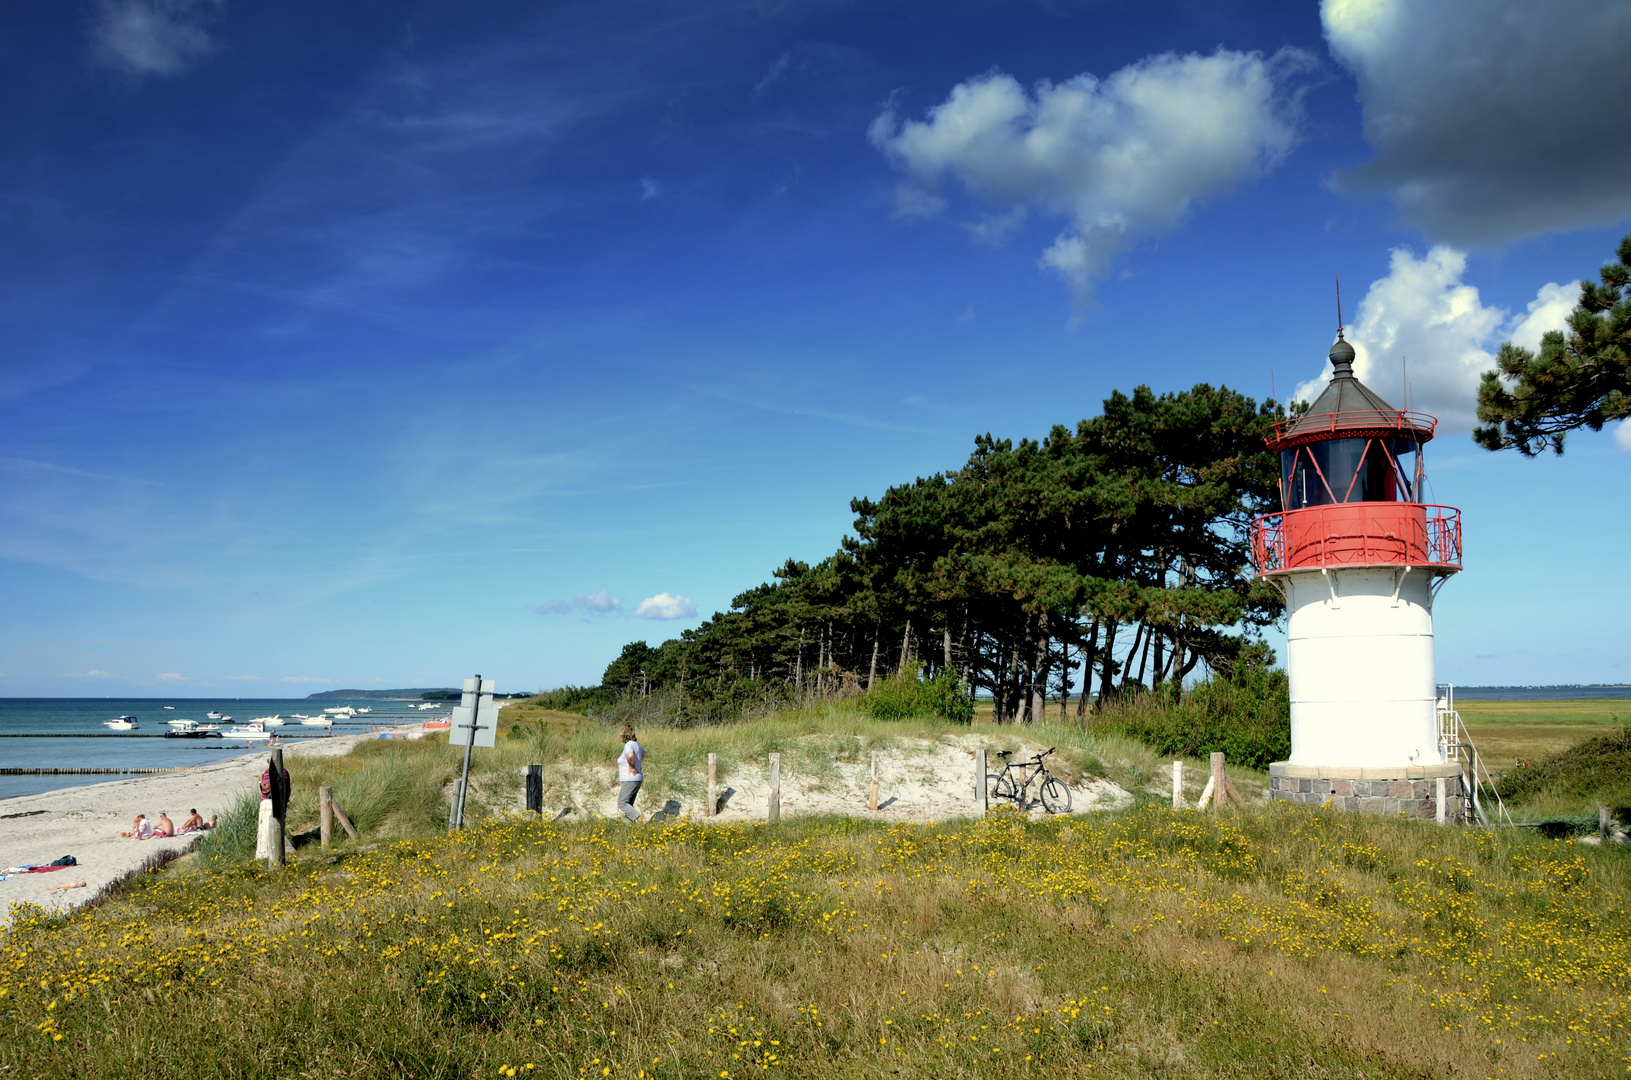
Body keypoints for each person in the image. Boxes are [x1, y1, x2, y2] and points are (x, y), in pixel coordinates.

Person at [617, 724, 645, 823]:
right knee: (629, 805)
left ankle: (641, 821)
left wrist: (632, 767)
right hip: (637, 778)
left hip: (631, 779)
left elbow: (630, 755)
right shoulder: (636, 744)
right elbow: (644, 754)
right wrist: (639, 764)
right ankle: (626, 827)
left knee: (622, 803)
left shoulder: (628, 745)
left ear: (624, 734)